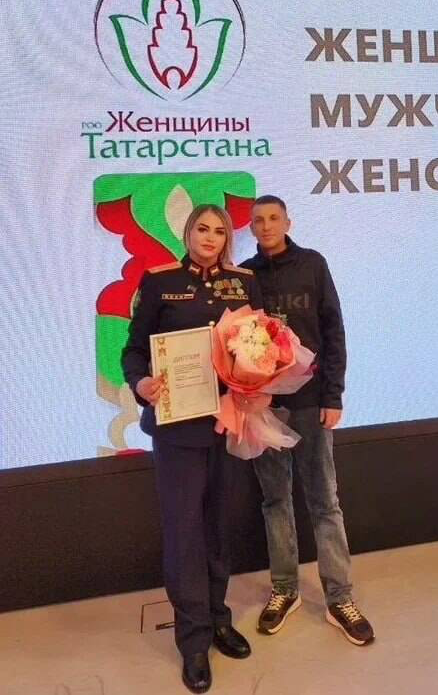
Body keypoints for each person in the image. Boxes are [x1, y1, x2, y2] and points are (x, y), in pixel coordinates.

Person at [122, 204, 262, 693]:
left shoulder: (243, 284)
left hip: (225, 423)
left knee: (219, 526)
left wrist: (258, 377)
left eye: (219, 231)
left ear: (227, 239)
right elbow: (134, 349)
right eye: (202, 228)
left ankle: (219, 619)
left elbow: (259, 344)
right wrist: (141, 383)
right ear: (188, 233)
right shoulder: (160, 281)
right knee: (185, 532)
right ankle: (194, 640)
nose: (210, 237)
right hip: (177, 428)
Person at [241, 195, 374, 646]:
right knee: (275, 500)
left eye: (273, 218)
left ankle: (339, 597)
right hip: (264, 407)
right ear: (251, 227)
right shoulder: (245, 276)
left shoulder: (313, 264)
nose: (266, 226)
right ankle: (285, 590)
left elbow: (333, 330)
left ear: (287, 222)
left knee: (324, 501)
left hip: (311, 403)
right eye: (258, 220)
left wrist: (333, 394)